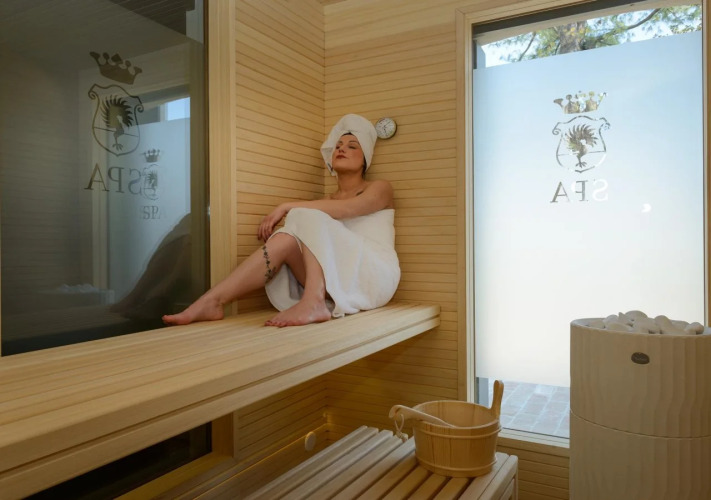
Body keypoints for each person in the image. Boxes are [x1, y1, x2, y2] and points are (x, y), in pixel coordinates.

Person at [162, 114, 401, 327]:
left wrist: (286, 206)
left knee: (303, 214)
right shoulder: (323, 203)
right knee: (286, 238)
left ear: (365, 158)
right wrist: (293, 211)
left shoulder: (380, 188)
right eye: (338, 146)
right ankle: (213, 301)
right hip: (342, 281)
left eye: (352, 146)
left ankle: (313, 301)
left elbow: (350, 208)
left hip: (375, 278)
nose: (341, 149)